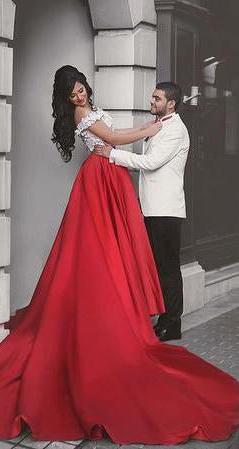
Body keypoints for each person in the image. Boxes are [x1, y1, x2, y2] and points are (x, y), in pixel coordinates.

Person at [0, 66, 238, 445]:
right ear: (67, 101)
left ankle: (135, 312)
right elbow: (111, 137)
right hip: (98, 178)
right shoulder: (84, 116)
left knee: (112, 247)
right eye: (72, 94)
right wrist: (146, 131)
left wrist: (123, 145)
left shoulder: (105, 111)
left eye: (80, 89)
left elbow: (114, 143)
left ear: (86, 87)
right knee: (94, 247)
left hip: (109, 174)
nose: (78, 97)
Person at [94, 82, 189, 342]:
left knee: (168, 268)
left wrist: (113, 154)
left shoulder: (175, 130)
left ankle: (172, 324)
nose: (151, 102)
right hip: (151, 208)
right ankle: (161, 319)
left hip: (166, 210)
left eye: (157, 99)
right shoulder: (159, 126)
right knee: (156, 266)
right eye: (152, 97)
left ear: (171, 103)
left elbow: (150, 163)